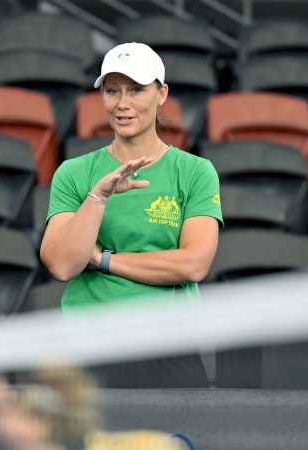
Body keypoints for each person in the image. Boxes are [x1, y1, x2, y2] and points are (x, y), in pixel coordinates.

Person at [39, 43, 223, 388]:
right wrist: (98, 196)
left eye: (136, 89)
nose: (122, 104)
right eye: (112, 91)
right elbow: (63, 265)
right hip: (90, 342)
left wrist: (103, 259)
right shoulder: (74, 172)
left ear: (162, 94)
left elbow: (193, 265)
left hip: (169, 343)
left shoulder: (196, 171)